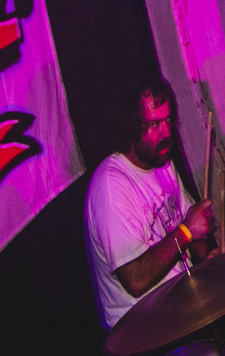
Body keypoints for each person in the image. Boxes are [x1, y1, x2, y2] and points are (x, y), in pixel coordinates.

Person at [85, 76, 214, 332]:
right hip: (140, 329)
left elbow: (192, 233)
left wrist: (209, 258)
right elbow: (135, 279)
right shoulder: (111, 186)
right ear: (131, 128)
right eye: (155, 124)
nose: (166, 132)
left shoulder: (162, 162)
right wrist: (187, 231)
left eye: (168, 120)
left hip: (179, 305)